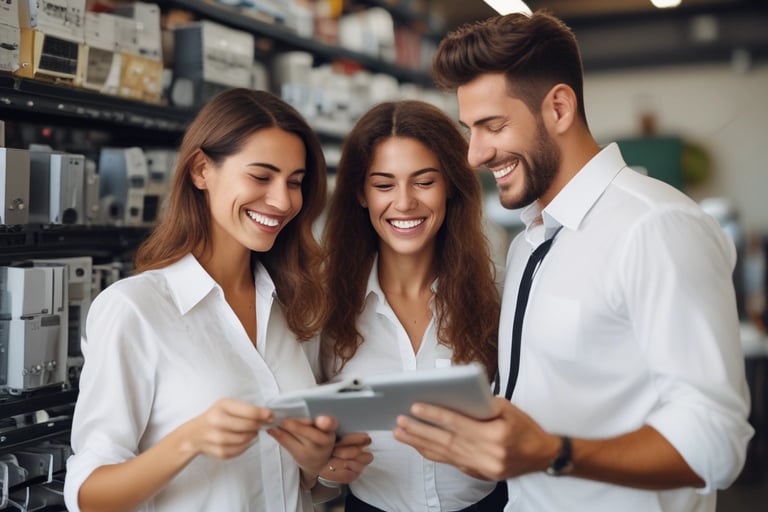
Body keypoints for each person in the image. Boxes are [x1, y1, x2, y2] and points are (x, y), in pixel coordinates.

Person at [393, 11, 754, 512]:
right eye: (469, 129)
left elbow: (716, 443)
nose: (474, 154)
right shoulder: (529, 242)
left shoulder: (656, 227)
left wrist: (553, 454)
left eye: (492, 125)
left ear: (559, 108)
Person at [64, 88, 347, 511]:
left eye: (295, 182)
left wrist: (317, 464)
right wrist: (189, 439)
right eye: (261, 176)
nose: (283, 200)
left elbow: (299, 484)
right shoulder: (134, 309)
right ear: (201, 170)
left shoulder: (294, 306)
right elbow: (89, 496)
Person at [318, 99, 507, 511]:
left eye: (424, 182)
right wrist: (327, 470)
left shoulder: (498, 293)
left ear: (451, 186)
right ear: (361, 193)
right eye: (384, 185)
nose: (404, 203)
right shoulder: (326, 306)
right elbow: (312, 445)